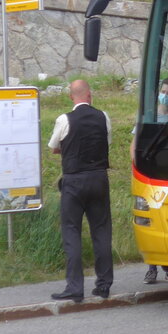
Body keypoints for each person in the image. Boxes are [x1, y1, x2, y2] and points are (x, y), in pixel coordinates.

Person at [49, 78, 113, 303]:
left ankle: (75, 288)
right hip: (99, 178)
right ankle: (103, 285)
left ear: (71, 97)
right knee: (102, 231)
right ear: (89, 95)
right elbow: (106, 142)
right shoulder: (103, 117)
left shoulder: (64, 119)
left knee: (72, 231)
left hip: (74, 181)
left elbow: (54, 148)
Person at [136, 77, 168, 286]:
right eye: (163, 91)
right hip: (150, 178)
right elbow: (134, 146)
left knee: (167, 225)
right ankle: (152, 269)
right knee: (151, 224)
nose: (165, 96)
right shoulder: (148, 118)